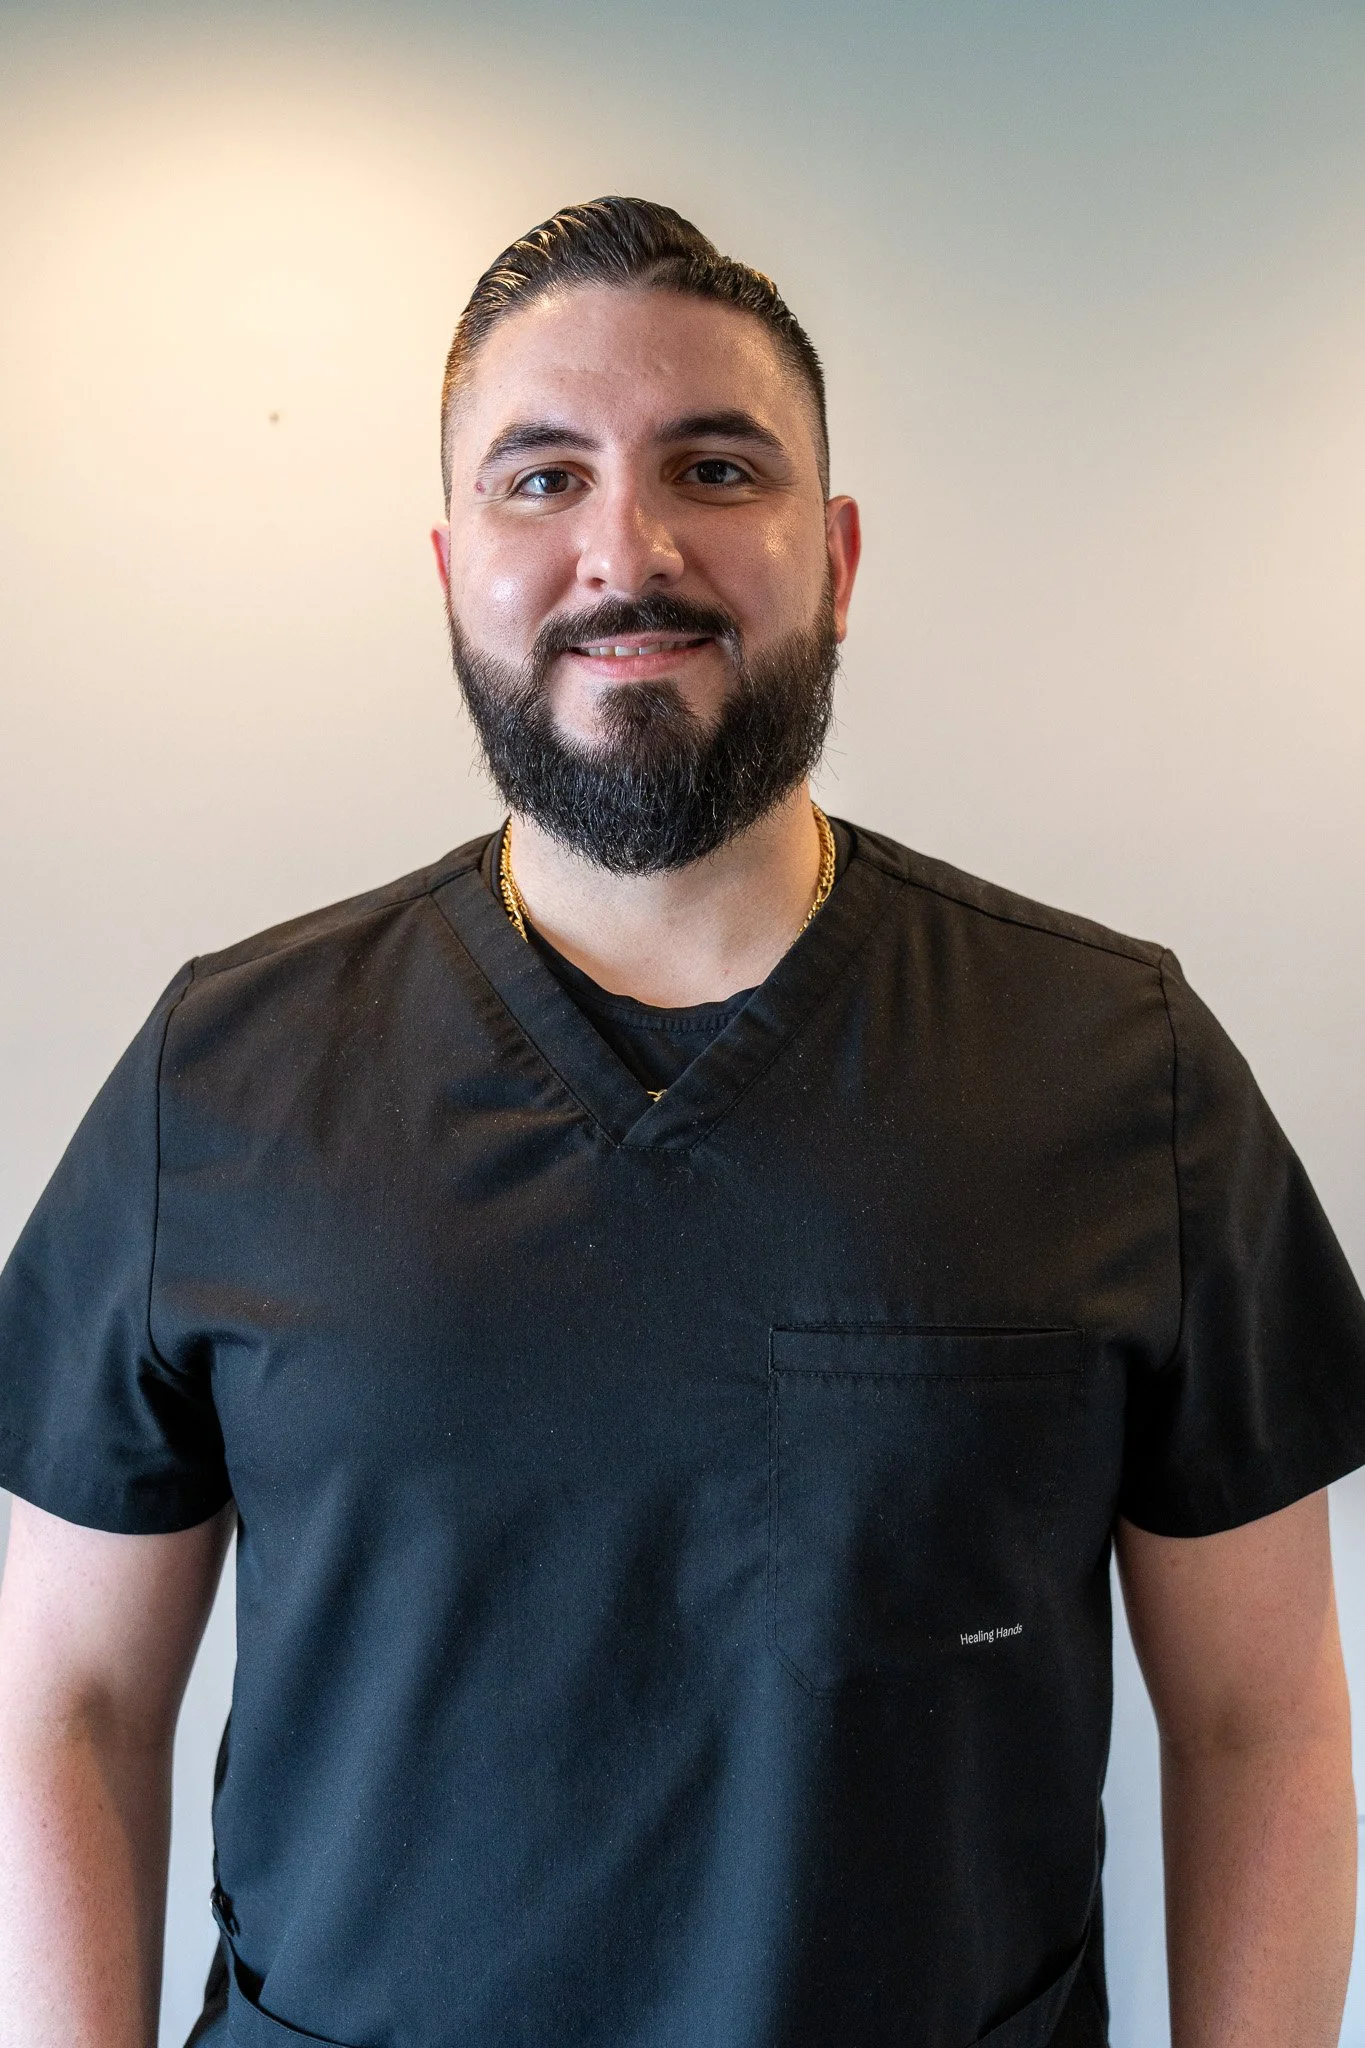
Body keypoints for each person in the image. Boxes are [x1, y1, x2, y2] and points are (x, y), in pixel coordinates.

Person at [0, 196, 1362, 2048]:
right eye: (541, 479)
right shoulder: (224, 1075)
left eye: (714, 469)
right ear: (451, 565)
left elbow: (1259, 1719)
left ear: (840, 556)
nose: (625, 552)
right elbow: (70, 1701)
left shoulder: (1119, 1071)